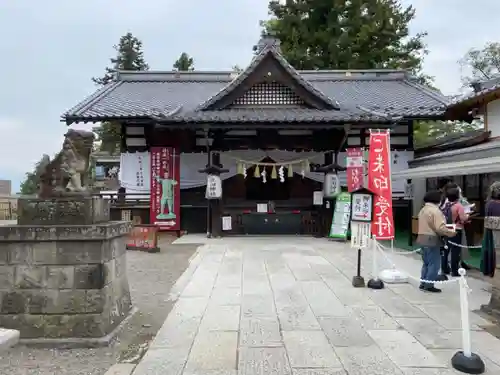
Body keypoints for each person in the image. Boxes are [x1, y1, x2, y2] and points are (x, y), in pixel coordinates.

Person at [417, 190, 456, 293]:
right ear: (437, 200)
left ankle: (423, 282)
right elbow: (440, 228)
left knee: (426, 263)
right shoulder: (436, 211)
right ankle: (429, 285)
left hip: (422, 238)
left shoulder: (423, 210)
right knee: (434, 264)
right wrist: (450, 232)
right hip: (432, 239)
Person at [441, 187, 469, 276]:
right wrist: (467, 216)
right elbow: (463, 218)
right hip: (457, 229)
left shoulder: (446, 205)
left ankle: (444, 268)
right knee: (455, 251)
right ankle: (454, 270)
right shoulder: (458, 206)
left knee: (446, 249)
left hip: (447, 227)